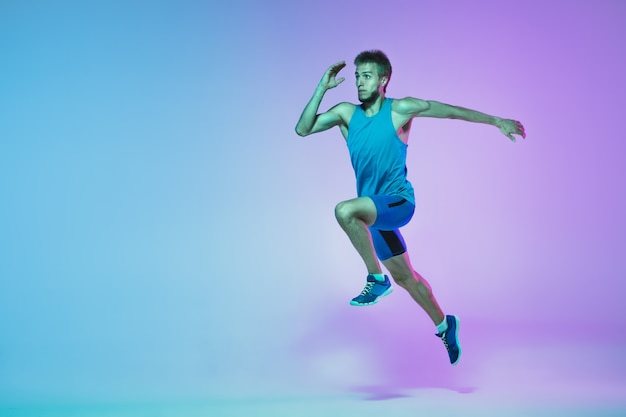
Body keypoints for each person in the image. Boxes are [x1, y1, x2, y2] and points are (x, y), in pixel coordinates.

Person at [294, 50, 526, 366]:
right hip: (374, 217)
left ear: (383, 79)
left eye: (367, 75)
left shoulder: (400, 109)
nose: (360, 82)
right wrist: (321, 87)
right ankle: (445, 325)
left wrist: (496, 120)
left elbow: (451, 112)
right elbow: (303, 129)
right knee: (407, 280)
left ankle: (375, 280)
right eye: (358, 75)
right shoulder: (347, 113)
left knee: (344, 211)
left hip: (398, 203)